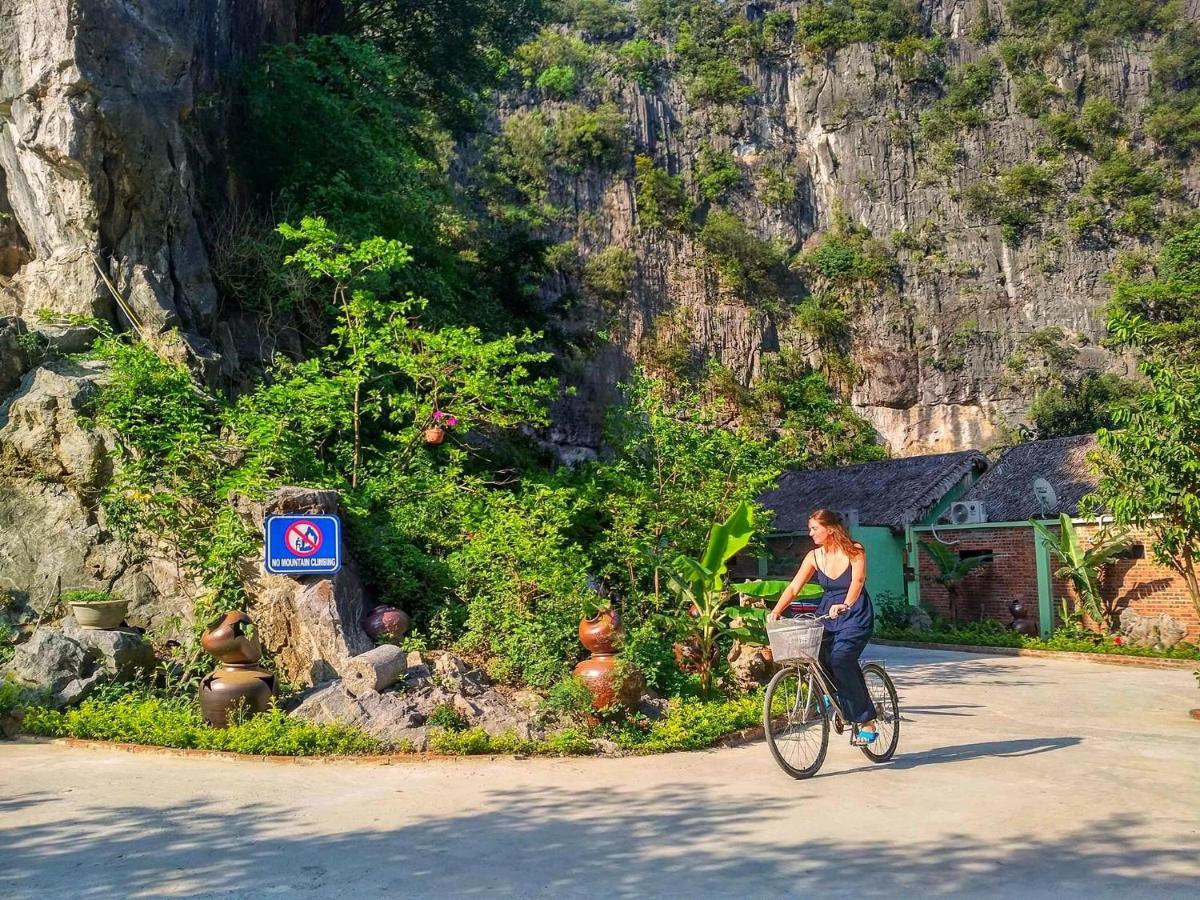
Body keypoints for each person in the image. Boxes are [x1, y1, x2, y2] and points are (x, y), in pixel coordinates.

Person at [767, 508, 877, 743]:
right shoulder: (813, 556)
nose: (810, 533)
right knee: (814, 653)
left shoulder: (855, 551)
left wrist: (845, 604)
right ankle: (834, 694)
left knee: (841, 658)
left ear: (829, 529)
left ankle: (867, 720)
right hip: (827, 613)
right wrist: (776, 610)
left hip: (854, 613)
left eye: (814, 528)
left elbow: (857, 581)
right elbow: (794, 587)